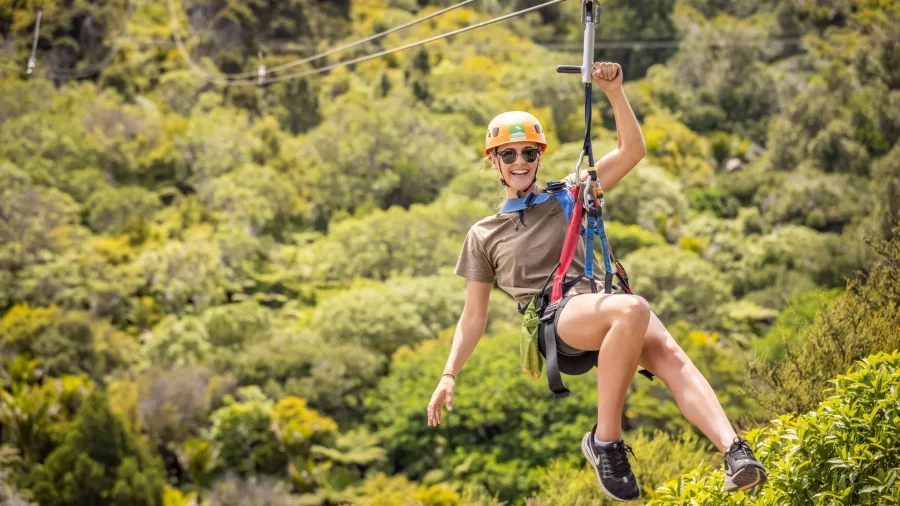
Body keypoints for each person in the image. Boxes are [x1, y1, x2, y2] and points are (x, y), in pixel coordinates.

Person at [425, 61, 768, 501]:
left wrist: (614, 92)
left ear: (539, 156)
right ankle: (606, 441)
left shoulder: (569, 192)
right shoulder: (483, 234)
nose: (520, 162)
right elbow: (473, 316)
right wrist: (449, 373)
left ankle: (735, 452)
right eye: (508, 155)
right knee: (635, 308)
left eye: (529, 153)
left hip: (601, 303)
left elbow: (631, 151)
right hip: (555, 319)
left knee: (668, 353)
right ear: (494, 162)